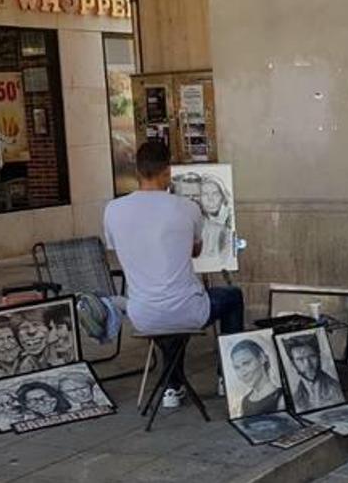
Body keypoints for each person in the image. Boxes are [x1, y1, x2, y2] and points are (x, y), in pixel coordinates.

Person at [104, 142, 245, 408]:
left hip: (142, 315)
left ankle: (172, 386)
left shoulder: (113, 210)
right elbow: (196, 249)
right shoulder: (186, 208)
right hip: (188, 310)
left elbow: (116, 248)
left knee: (166, 316)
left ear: (138, 171)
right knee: (232, 297)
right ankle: (227, 376)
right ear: (167, 172)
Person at [285, 336, 343, 412]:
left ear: (319, 357)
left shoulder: (335, 388)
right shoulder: (296, 396)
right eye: (300, 359)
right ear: (293, 363)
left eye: (312, 356)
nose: (308, 364)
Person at [230, 339, 285, 417]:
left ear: (262, 358)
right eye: (237, 367)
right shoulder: (245, 401)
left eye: (246, 363)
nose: (243, 373)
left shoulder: (281, 398)